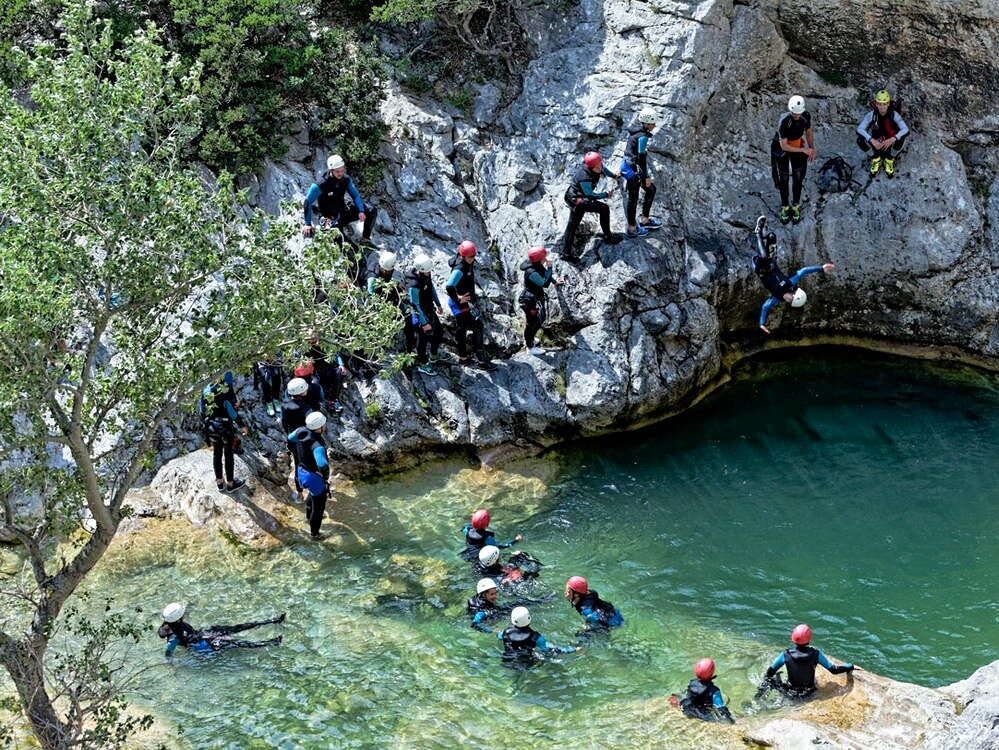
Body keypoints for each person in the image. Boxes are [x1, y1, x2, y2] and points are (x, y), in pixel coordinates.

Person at [751, 216, 835, 334]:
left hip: (760, 268)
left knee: (764, 257)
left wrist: (761, 323)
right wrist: (821, 268)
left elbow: (765, 307)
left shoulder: (776, 298)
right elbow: (804, 271)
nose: (787, 301)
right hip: (771, 262)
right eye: (791, 299)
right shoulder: (791, 283)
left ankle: (758, 232)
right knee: (772, 237)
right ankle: (765, 236)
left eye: (790, 302)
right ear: (793, 293)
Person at [760, 623, 855, 699]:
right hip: (808, 693)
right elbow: (834, 670)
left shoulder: (785, 654)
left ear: (793, 639)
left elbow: (770, 672)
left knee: (771, 679)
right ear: (809, 639)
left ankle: (757, 698)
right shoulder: (816, 654)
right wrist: (849, 666)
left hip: (789, 691)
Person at [157, 602, 284, 657]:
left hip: (202, 635)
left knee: (235, 629)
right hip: (202, 646)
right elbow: (169, 650)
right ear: (179, 617)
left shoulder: (173, 622)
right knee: (235, 643)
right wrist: (170, 663)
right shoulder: (173, 637)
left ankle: (271, 621)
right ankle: (271, 643)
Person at [561, 151, 623, 261]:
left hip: (580, 196)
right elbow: (590, 194)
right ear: (592, 166)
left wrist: (614, 176)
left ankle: (566, 253)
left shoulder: (596, 164)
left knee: (574, 224)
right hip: (577, 200)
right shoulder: (585, 176)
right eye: (598, 164)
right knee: (603, 209)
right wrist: (605, 195)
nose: (600, 165)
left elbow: (604, 169)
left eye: (600, 162)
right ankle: (608, 237)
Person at [445, 241, 497, 371]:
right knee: (476, 326)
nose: (473, 259)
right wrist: (458, 298)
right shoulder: (460, 268)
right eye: (471, 257)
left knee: (463, 329)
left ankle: (463, 358)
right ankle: (480, 361)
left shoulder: (467, 260)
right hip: (461, 304)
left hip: (465, 302)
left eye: (474, 256)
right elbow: (449, 286)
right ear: (463, 256)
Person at [302, 154, 377, 242]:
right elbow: (307, 201)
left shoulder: (345, 179)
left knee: (371, 211)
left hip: (342, 212)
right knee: (344, 246)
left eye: (342, 170)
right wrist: (307, 224)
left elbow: (355, 196)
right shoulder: (321, 184)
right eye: (337, 171)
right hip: (328, 218)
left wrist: (361, 210)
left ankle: (365, 239)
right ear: (331, 170)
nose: (340, 173)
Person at [199, 373, 248, 494]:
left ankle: (220, 483)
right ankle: (231, 484)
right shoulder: (224, 393)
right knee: (228, 454)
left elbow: (202, 412)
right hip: (225, 428)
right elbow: (232, 413)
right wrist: (242, 426)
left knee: (217, 454)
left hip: (211, 428)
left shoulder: (206, 391)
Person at [770, 95, 815, 225]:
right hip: (781, 147)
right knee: (783, 177)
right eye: (794, 113)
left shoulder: (805, 115)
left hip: (796, 143)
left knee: (798, 175)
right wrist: (803, 150)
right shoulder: (784, 121)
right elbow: (784, 145)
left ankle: (795, 205)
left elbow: (809, 131)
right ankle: (785, 206)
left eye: (798, 113)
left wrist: (811, 148)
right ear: (791, 111)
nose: (796, 115)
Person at [621, 107, 664, 238]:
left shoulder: (636, 132)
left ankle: (644, 220)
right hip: (632, 170)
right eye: (652, 123)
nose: (654, 125)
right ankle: (632, 228)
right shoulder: (642, 137)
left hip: (629, 166)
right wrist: (645, 176)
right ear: (646, 124)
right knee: (633, 198)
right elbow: (641, 157)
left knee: (651, 190)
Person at [288, 411, 330, 539]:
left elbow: (290, 438)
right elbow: (322, 464)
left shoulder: (301, 430)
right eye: (324, 424)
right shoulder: (317, 445)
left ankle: (307, 515)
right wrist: (325, 477)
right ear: (319, 427)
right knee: (319, 507)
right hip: (313, 477)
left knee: (313, 494)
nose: (325, 425)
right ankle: (315, 534)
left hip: (301, 470)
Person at [367, 250, 417, 357]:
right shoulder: (373, 277)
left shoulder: (384, 267)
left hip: (388, 295)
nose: (387, 272)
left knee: (408, 316)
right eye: (386, 271)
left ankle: (410, 344)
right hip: (380, 301)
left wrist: (398, 286)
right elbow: (371, 295)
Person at [518, 245, 562, 355]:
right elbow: (544, 283)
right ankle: (530, 346)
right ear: (539, 259)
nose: (546, 258)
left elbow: (544, 273)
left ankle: (530, 338)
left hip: (535, 297)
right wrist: (550, 268)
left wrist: (555, 281)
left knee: (540, 319)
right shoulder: (531, 272)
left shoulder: (536, 265)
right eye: (544, 256)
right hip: (530, 301)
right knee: (533, 322)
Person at [856, 89, 910, 178]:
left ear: (888, 104)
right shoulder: (872, 115)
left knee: (902, 138)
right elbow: (859, 129)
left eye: (884, 104)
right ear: (876, 104)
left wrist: (894, 138)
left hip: (890, 142)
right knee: (860, 140)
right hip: (877, 142)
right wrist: (871, 139)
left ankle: (889, 160)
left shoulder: (894, 115)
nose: (882, 107)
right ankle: (875, 158)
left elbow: (905, 130)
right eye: (880, 104)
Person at [406, 252, 445, 374]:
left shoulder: (425, 273)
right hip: (417, 313)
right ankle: (422, 363)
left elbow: (431, 287)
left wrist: (438, 304)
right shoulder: (413, 284)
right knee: (422, 337)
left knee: (439, 331)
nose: (429, 273)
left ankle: (433, 355)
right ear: (420, 270)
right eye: (427, 272)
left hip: (428, 308)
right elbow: (415, 305)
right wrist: (423, 323)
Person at [497, 607, 577, 665]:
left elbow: (499, 636)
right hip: (527, 664)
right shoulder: (536, 637)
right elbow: (547, 650)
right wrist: (571, 649)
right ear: (529, 619)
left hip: (507, 660)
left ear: (513, 619)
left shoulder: (506, 632)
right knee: (543, 659)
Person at [669, 658, 735, 723]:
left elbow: (687, 694)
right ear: (712, 672)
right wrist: (730, 719)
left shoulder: (692, 683)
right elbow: (721, 708)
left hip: (687, 708)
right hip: (702, 714)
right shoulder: (714, 690)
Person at [281, 377, 313, 501]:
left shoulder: (285, 404)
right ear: (301, 391)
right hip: (306, 439)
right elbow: (311, 424)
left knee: (298, 465)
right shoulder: (306, 406)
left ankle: (299, 494)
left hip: (293, 439)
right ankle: (313, 488)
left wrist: (289, 436)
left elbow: (284, 422)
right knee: (310, 464)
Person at [475, 545, 541, 585]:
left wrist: (512, 554)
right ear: (495, 560)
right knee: (524, 572)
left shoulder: (483, 563)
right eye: (499, 554)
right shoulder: (499, 573)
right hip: (507, 580)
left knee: (518, 556)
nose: (500, 554)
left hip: (499, 573)